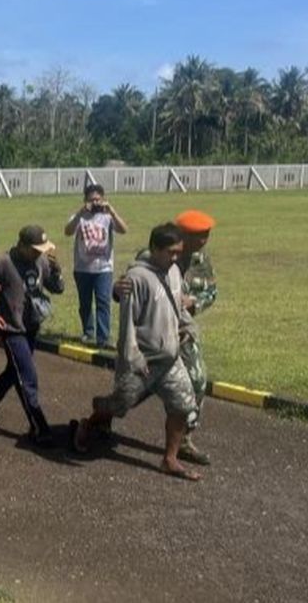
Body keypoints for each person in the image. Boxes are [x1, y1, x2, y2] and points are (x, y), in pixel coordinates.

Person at [73, 223, 201, 481]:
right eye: (170, 252)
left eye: (178, 252)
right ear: (154, 248)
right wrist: (134, 357)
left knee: (183, 406)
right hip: (142, 360)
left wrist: (187, 327)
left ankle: (170, 459)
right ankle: (92, 418)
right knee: (120, 405)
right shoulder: (136, 279)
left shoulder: (175, 271)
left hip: (169, 359)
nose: (175, 258)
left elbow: (177, 305)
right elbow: (127, 323)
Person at [112, 210, 217, 464]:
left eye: (206, 235)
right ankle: (98, 420)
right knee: (127, 397)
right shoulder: (149, 259)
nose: (203, 240)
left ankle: (181, 443)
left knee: (196, 383)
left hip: (179, 336)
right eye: (197, 235)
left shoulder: (200, 261)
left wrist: (193, 303)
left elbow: (211, 291)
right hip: (148, 344)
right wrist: (117, 289)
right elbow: (130, 291)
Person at [0, 225, 65, 447]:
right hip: (12, 329)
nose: (40, 253)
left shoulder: (41, 261)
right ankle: (39, 427)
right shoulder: (3, 263)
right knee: (27, 375)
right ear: (22, 245)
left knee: (14, 371)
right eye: (36, 249)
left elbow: (57, 288)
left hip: (31, 326)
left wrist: (57, 271)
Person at [64, 183, 128, 348]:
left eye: (98, 200)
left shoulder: (107, 217)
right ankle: (88, 332)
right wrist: (80, 212)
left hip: (104, 268)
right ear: (85, 200)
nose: (95, 203)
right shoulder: (80, 217)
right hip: (82, 268)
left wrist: (111, 211)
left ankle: (103, 338)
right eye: (91, 200)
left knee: (103, 302)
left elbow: (124, 229)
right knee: (85, 303)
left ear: (103, 199)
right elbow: (68, 231)